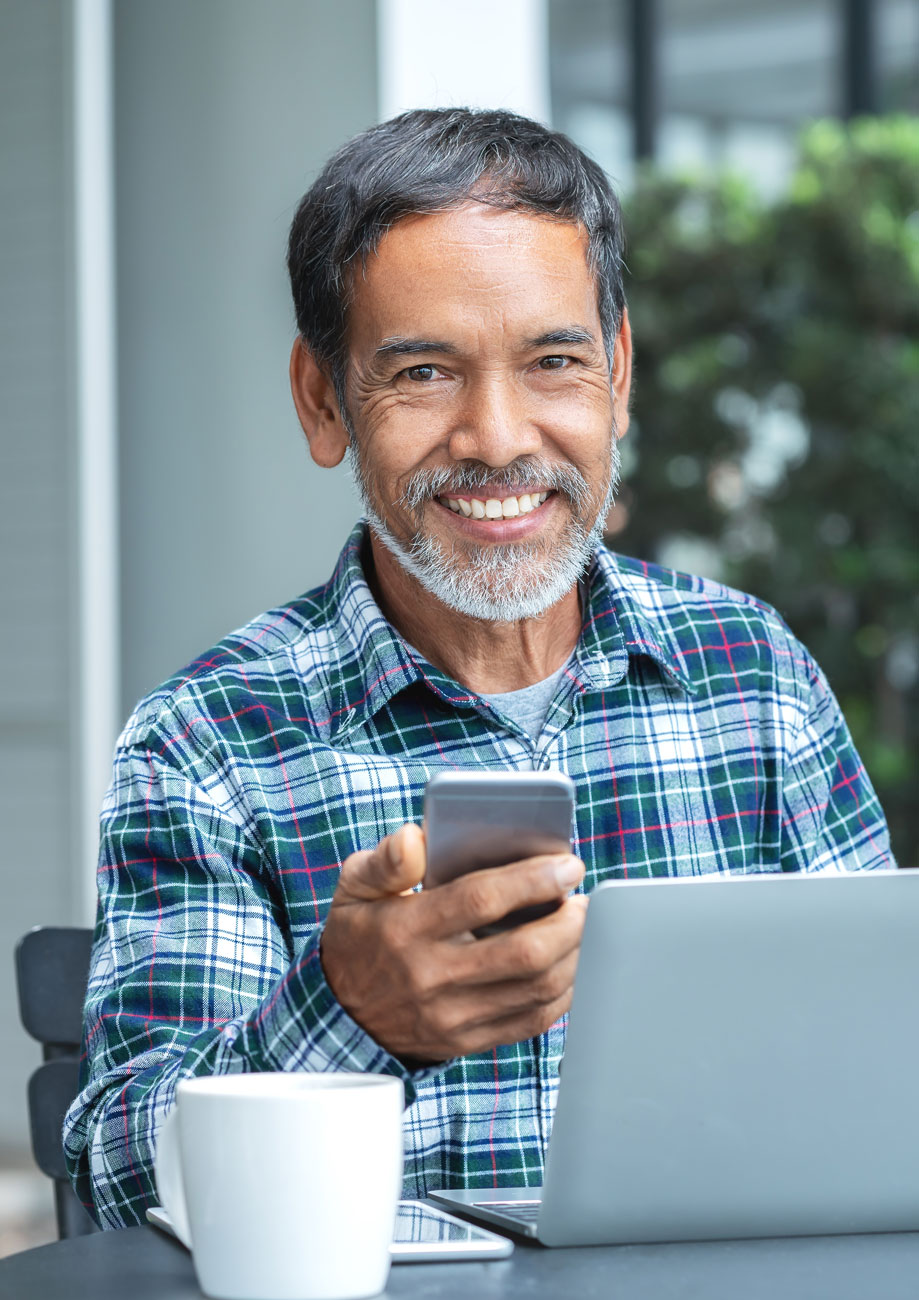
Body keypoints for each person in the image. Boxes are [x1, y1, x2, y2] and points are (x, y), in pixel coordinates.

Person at [64, 108, 892, 1228]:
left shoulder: (754, 678)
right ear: (322, 401)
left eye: (553, 360)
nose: (498, 437)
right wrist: (349, 1013)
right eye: (423, 371)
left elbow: (890, 1074)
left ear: (619, 372)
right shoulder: (210, 743)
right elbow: (116, 1177)